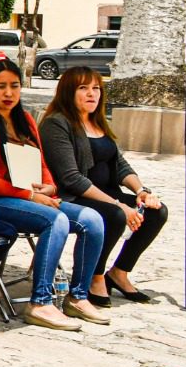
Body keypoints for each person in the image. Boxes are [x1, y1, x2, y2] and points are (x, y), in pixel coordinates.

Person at [0, 59, 107, 331]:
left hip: (29, 195)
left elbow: (42, 162)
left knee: (93, 220)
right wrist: (30, 196)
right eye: (1, 86)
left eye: (14, 86)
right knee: (55, 220)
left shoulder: (24, 119)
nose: (9, 93)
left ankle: (78, 295)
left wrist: (49, 186)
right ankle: (40, 301)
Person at [39, 67, 167, 307]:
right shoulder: (57, 124)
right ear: (68, 92)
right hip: (74, 197)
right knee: (115, 215)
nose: (91, 94)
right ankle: (94, 277)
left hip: (108, 194)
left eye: (96, 88)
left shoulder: (98, 122)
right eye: (83, 88)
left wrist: (142, 192)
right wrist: (119, 204)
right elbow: (71, 179)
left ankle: (119, 273)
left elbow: (119, 164)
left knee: (156, 211)